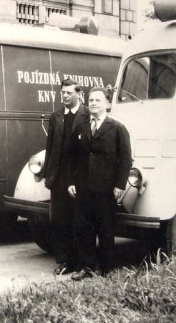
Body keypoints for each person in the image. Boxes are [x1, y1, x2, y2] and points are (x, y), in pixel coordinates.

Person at [67, 87, 131, 280]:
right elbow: (73, 157)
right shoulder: (81, 127)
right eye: (91, 100)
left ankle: (106, 269)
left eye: (98, 100)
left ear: (107, 104)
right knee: (83, 227)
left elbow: (126, 160)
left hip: (105, 189)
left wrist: (119, 185)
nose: (93, 103)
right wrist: (71, 181)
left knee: (105, 229)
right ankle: (87, 268)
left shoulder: (117, 128)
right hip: (83, 188)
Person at [42, 78, 89, 276]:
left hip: (79, 176)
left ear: (78, 94)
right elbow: (50, 147)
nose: (65, 96)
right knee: (59, 220)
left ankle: (80, 262)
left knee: (78, 220)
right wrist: (48, 174)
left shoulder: (87, 114)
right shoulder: (56, 117)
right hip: (59, 177)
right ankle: (63, 261)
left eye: (69, 93)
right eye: (63, 93)